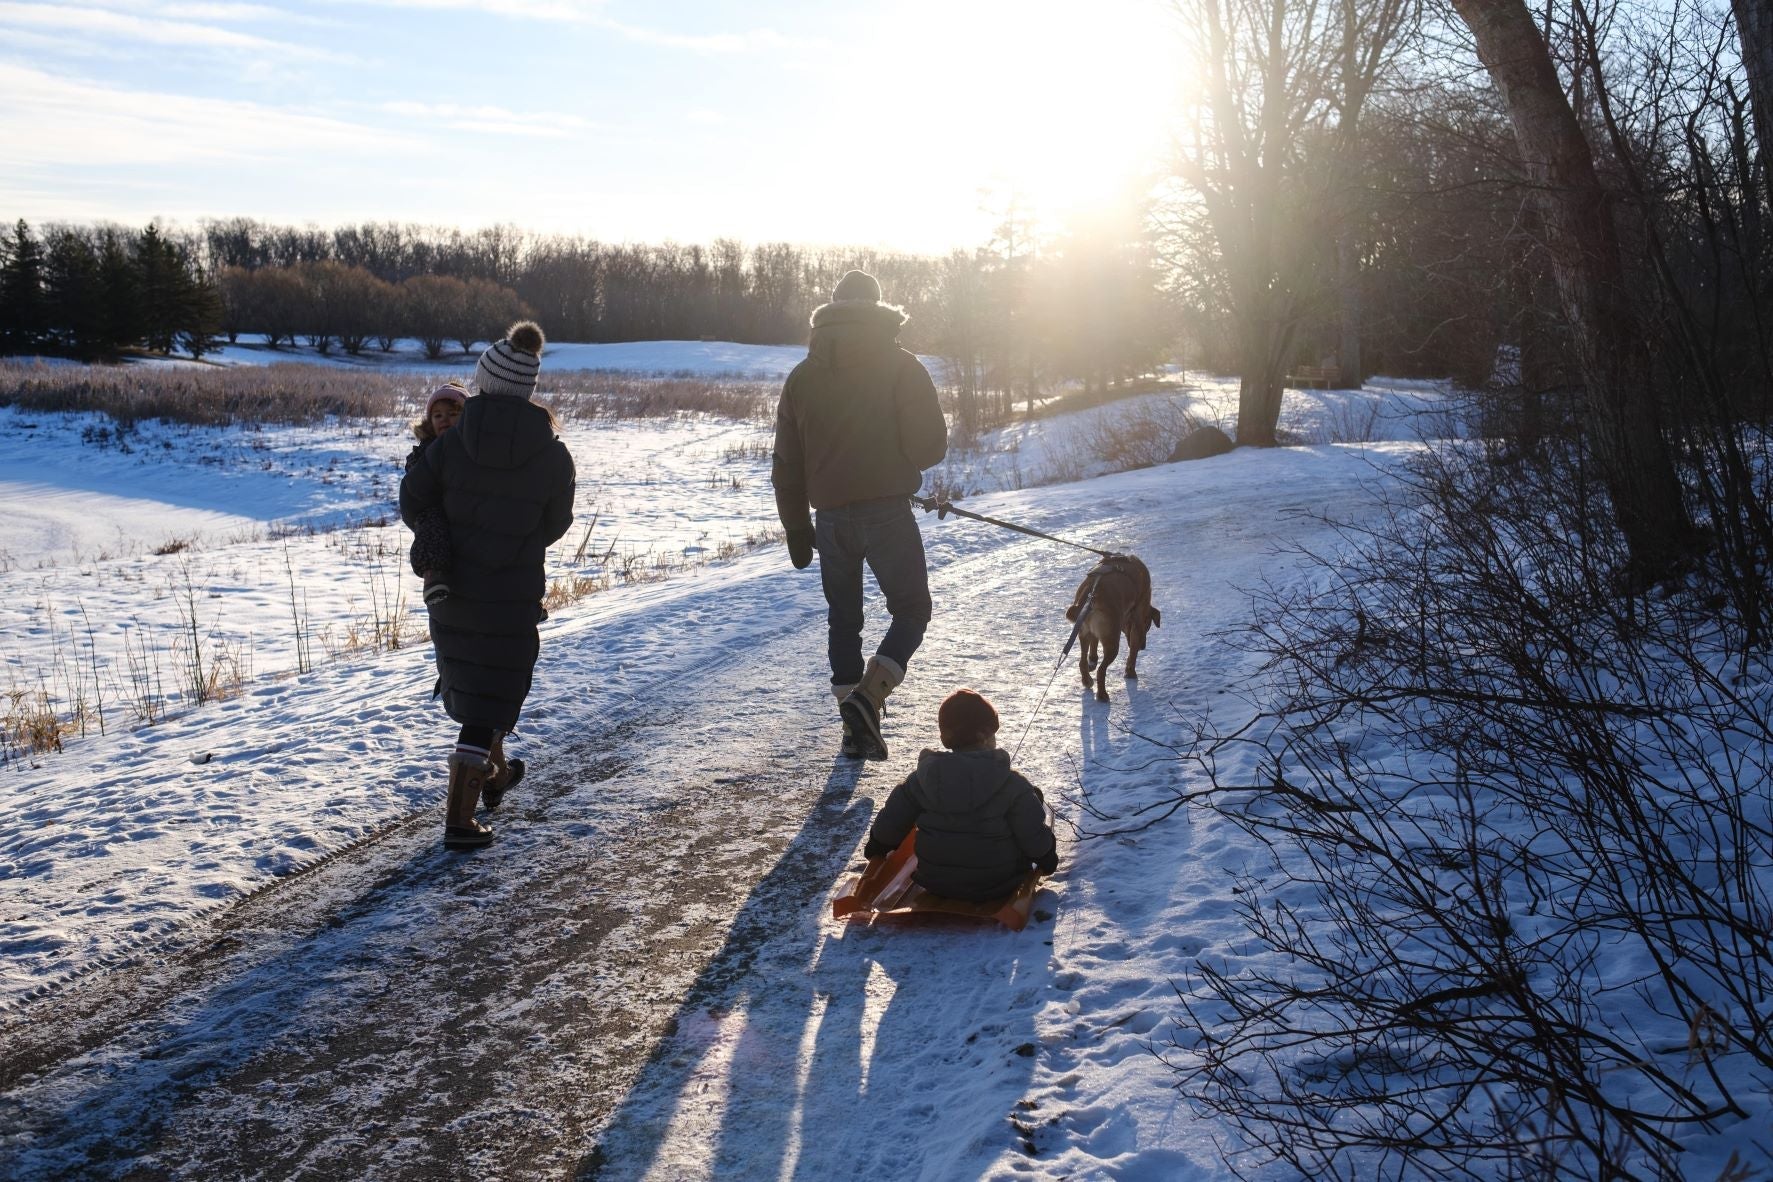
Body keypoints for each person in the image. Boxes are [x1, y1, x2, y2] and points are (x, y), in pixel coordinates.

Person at [400, 321, 575, 850]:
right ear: (528, 389)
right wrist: (515, 543)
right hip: (512, 592)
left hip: (450, 590)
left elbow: (413, 501)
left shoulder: (451, 445)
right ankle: (459, 820)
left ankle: (495, 777)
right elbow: (556, 523)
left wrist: (447, 539)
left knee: (479, 688)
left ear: (481, 381)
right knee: (491, 692)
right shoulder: (552, 454)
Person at [771, 269, 947, 761]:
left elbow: (786, 464)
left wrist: (795, 526)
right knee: (912, 610)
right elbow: (930, 447)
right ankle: (869, 698)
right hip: (888, 513)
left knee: (843, 619)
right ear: (878, 309)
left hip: (828, 519)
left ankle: (852, 724)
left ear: (829, 312)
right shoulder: (901, 365)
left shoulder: (802, 377)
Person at [863, 688, 1058, 901]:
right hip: (997, 883)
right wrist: (1047, 858)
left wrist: (878, 845)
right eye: (993, 733)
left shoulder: (922, 779)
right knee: (1029, 803)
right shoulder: (1012, 784)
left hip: (935, 882)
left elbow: (892, 820)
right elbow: (1033, 836)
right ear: (983, 735)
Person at [405, 380, 467, 607]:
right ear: (430, 422)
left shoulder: (471, 445)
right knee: (430, 524)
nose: (445, 420)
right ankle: (433, 576)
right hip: (436, 506)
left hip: (468, 505)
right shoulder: (426, 449)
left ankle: (525, 599)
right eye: (438, 415)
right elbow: (415, 479)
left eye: (452, 413)